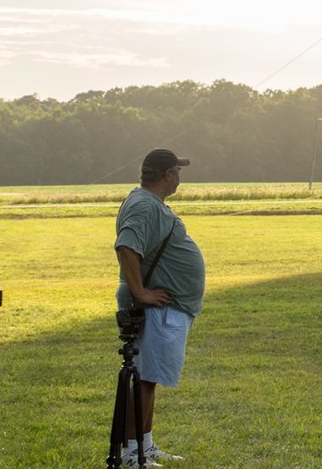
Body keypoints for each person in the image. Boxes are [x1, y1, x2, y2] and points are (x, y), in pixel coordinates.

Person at [114, 148, 205, 467]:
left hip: (168, 309)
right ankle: (130, 454)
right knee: (144, 378)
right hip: (158, 310)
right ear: (168, 174)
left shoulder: (147, 203)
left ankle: (145, 446)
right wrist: (141, 293)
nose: (179, 178)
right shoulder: (142, 206)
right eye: (177, 172)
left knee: (147, 378)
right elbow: (127, 246)